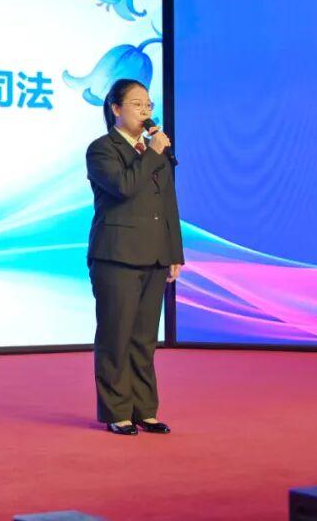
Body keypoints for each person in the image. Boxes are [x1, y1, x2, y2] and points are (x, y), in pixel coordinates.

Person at [85, 78, 184, 436]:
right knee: (116, 336)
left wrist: (174, 252)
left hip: (155, 256)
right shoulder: (102, 149)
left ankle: (145, 409)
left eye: (148, 105)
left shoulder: (155, 152)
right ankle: (117, 411)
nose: (145, 111)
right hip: (117, 257)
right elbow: (124, 187)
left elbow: (167, 204)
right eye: (137, 105)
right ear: (115, 109)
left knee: (144, 339)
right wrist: (153, 153)